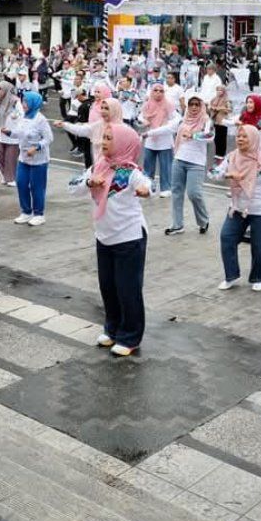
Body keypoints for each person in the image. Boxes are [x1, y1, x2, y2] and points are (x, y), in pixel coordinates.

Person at [67, 123, 153, 356]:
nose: (103, 142)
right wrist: (88, 182)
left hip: (129, 238)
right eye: (103, 138)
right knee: (108, 287)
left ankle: (130, 336)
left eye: (109, 138)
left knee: (128, 289)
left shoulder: (129, 171)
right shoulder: (99, 167)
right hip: (104, 236)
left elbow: (146, 183)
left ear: (123, 143)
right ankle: (112, 329)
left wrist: (145, 190)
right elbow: (72, 187)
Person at [210, 126, 261, 291]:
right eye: (239, 136)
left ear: (254, 139)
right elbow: (212, 172)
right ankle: (231, 275)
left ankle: (259, 277)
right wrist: (228, 175)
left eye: (245, 137)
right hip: (238, 207)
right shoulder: (231, 157)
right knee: (227, 237)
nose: (240, 139)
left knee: (260, 244)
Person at [165, 93, 213, 236]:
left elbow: (210, 136)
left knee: (194, 193)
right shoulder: (182, 120)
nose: (193, 107)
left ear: (201, 106)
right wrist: (148, 133)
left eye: (196, 104)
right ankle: (177, 225)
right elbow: (168, 129)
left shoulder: (206, 121)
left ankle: (203, 220)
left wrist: (193, 135)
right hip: (179, 159)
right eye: (191, 104)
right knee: (176, 193)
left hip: (196, 163)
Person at [12, 91, 53, 226]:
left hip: (39, 160)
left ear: (33, 103)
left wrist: (36, 148)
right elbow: (19, 133)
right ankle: (26, 212)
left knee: (37, 187)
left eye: (26, 102)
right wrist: (9, 132)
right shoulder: (24, 116)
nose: (23, 105)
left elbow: (49, 138)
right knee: (21, 183)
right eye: (23, 102)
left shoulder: (41, 119)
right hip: (23, 158)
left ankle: (39, 214)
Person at [139, 83, 179, 197]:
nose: (158, 93)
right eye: (155, 90)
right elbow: (140, 116)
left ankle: (166, 187)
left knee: (165, 166)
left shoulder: (168, 105)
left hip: (164, 141)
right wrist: (144, 121)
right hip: (150, 141)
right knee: (148, 165)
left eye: (161, 91)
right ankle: (148, 186)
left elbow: (176, 119)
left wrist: (167, 125)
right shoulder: (147, 105)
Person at [0, 81, 20, 186]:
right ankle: (5, 175)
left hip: (12, 134)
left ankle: (11, 178)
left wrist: (15, 117)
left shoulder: (15, 101)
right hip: (2, 132)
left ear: (6, 89)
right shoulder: (1, 101)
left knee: (10, 157)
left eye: (0, 88)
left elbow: (21, 115)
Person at [209, 85, 233, 158]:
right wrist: (212, 108)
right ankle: (217, 153)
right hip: (215, 120)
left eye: (221, 90)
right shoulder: (214, 99)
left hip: (223, 121)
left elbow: (230, 110)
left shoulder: (227, 100)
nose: (219, 92)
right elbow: (209, 106)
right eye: (218, 90)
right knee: (216, 137)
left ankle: (222, 154)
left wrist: (220, 109)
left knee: (222, 138)